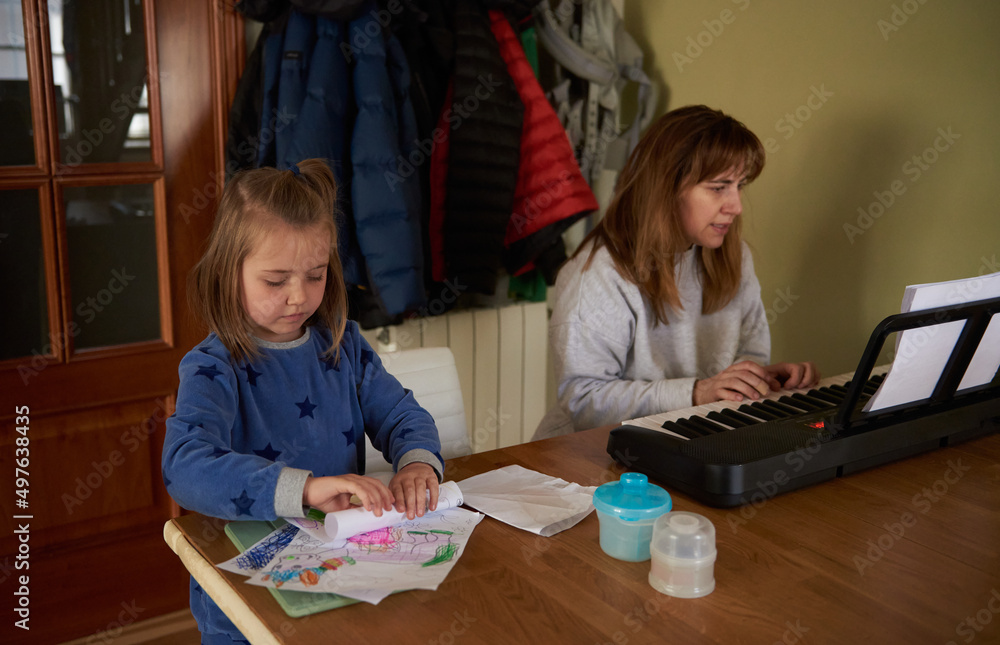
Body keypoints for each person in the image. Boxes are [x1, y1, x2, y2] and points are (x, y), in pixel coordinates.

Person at [162, 159, 443, 644]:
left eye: (315, 275)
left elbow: (401, 414)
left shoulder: (343, 343)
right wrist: (305, 489)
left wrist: (418, 462)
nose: (299, 297)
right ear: (229, 272)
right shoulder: (212, 366)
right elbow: (184, 468)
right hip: (242, 596)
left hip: (340, 572)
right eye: (276, 281)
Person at [533, 105, 818, 440]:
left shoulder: (734, 256)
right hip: (588, 456)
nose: (736, 206)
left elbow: (737, 367)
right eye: (718, 187)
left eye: (740, 185)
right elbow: (582, 403)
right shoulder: (596, 274)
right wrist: (697, 393)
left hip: (690, 439)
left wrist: (758, 380)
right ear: (666, 189)